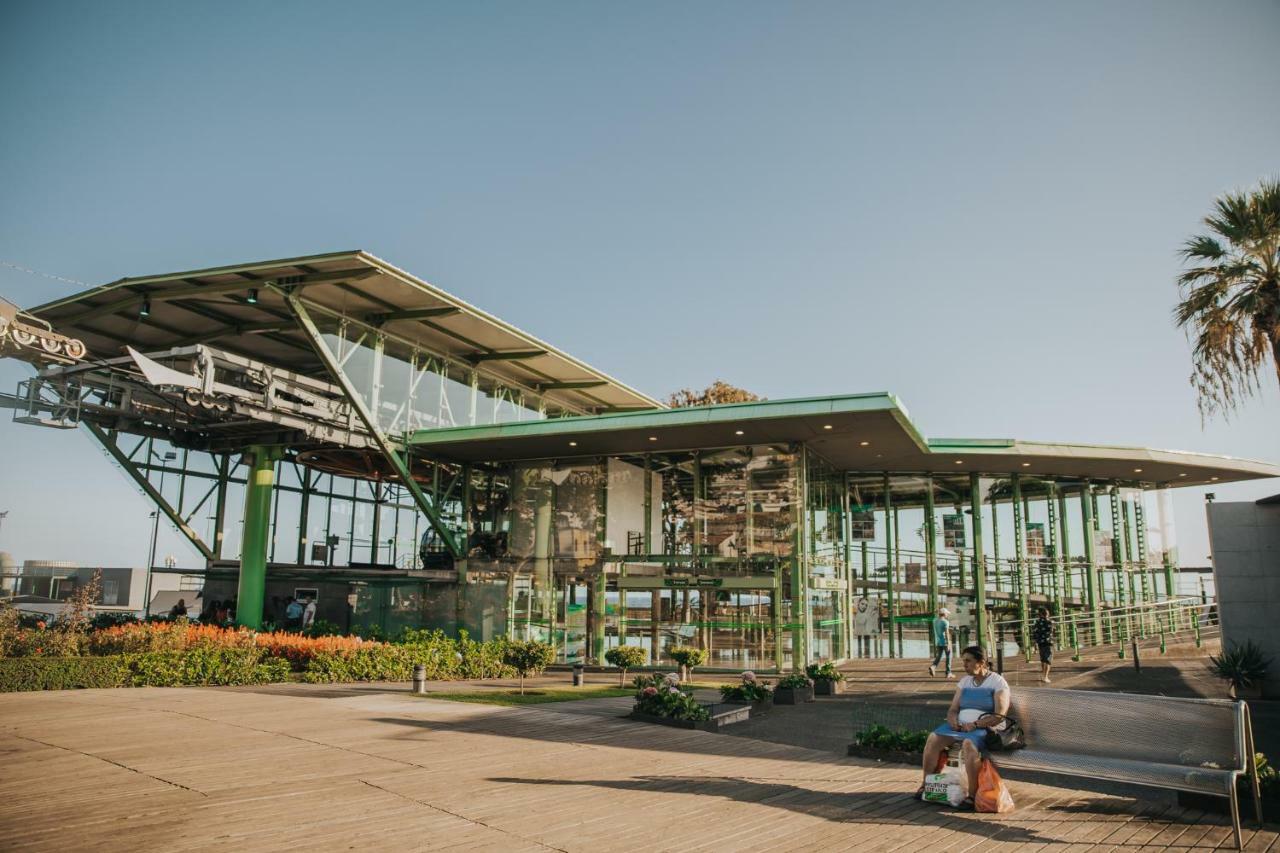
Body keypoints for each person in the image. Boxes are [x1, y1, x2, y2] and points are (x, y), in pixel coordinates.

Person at [916, 645, 1011, 810]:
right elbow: (953, 708)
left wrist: (975, 724)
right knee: (933, 738)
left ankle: (972, 795)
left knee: (968, 744)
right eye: (963, 661)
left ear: (981, 662)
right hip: (960, 726)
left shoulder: (997, 682)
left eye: (968, 661)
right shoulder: (965, 682)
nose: (964, 665)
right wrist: (953, 720)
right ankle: (926, 784)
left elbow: (999, 716)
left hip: (984, 728)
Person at [928, 606, 953, 678]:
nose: (947, 615)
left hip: (938, 641)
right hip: (945, 641)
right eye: (947, 613)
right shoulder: (945, 622)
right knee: (949, 656)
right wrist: (948, 643)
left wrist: (937, 611)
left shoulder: (935, 620)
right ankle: (948, 673)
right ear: (944, 614)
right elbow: (947, 633)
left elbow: (936, 615)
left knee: (939, 656)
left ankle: (933, 666)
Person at [1031, 607, 1054, 683]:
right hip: (1048, 643)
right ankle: (1046, 677)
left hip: (1040, 643)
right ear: (1047, 614)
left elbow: (1034, 633)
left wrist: (1035, 643)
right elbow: (1051, 631)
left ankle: (1043, 675)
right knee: (1048, 661)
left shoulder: (1037, 622)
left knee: (1043, 660)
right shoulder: (1050, 622)